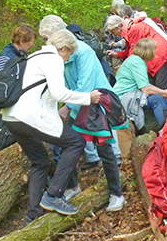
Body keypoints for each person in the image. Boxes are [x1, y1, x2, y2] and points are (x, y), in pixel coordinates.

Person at [1, 29, 101, 222]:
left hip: (12, 118)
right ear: (62, 48)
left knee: (40, 162)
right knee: (75, 142)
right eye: (69, 53)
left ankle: (33, 215)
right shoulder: (53, 59)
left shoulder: (35, 56)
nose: (68, 58)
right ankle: (54, 195)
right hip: (30, 118)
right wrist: (87, 97)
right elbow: (58, 93)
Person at [38, 15, 123, 190]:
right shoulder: (58, 56)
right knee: (68, 146)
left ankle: (117, 192)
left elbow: (85, 84)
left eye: (47, 38)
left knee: (105, 150)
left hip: (98, 102)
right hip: (79, 102)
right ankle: (72, 187)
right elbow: (61, 84)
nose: (46, 43)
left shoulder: (83, 52)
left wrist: (67, 107)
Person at [112, 38, 167, 133]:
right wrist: (164, 93)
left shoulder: (133, 59)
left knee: (160, 97)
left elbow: (146, 85)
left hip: (122, 96)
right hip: (124, 98)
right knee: (157, 99)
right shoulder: (138, 62)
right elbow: (146, 89)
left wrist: (165, 93)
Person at [105, 14, 167, 90]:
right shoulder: (130, 27)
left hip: (160, 53)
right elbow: (132, 50)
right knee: (153, 86)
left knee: (162, 86)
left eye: (112, 31)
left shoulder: (133, 29)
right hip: (154, 52)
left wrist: (123, 67)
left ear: (117, 27)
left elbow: (134, 54)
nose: (113, 34)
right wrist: (117, 54)